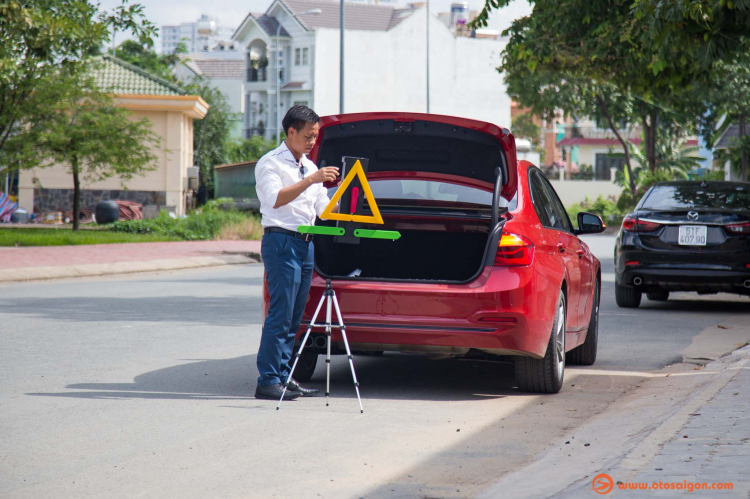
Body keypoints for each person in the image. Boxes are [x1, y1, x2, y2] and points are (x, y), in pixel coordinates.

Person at [254, 105, 339, 401]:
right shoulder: (271, 163)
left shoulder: (310, 167)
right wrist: (310, 182)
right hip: (281, 241)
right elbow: (275, 199)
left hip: (306, 244)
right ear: (291, 132)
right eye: (308, 136)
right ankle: (267, 380)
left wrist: (347, 196)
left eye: (315, 136)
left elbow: (324, 213)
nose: (312, 142)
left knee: (294, 318)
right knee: (280, 314)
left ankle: (284, 376)